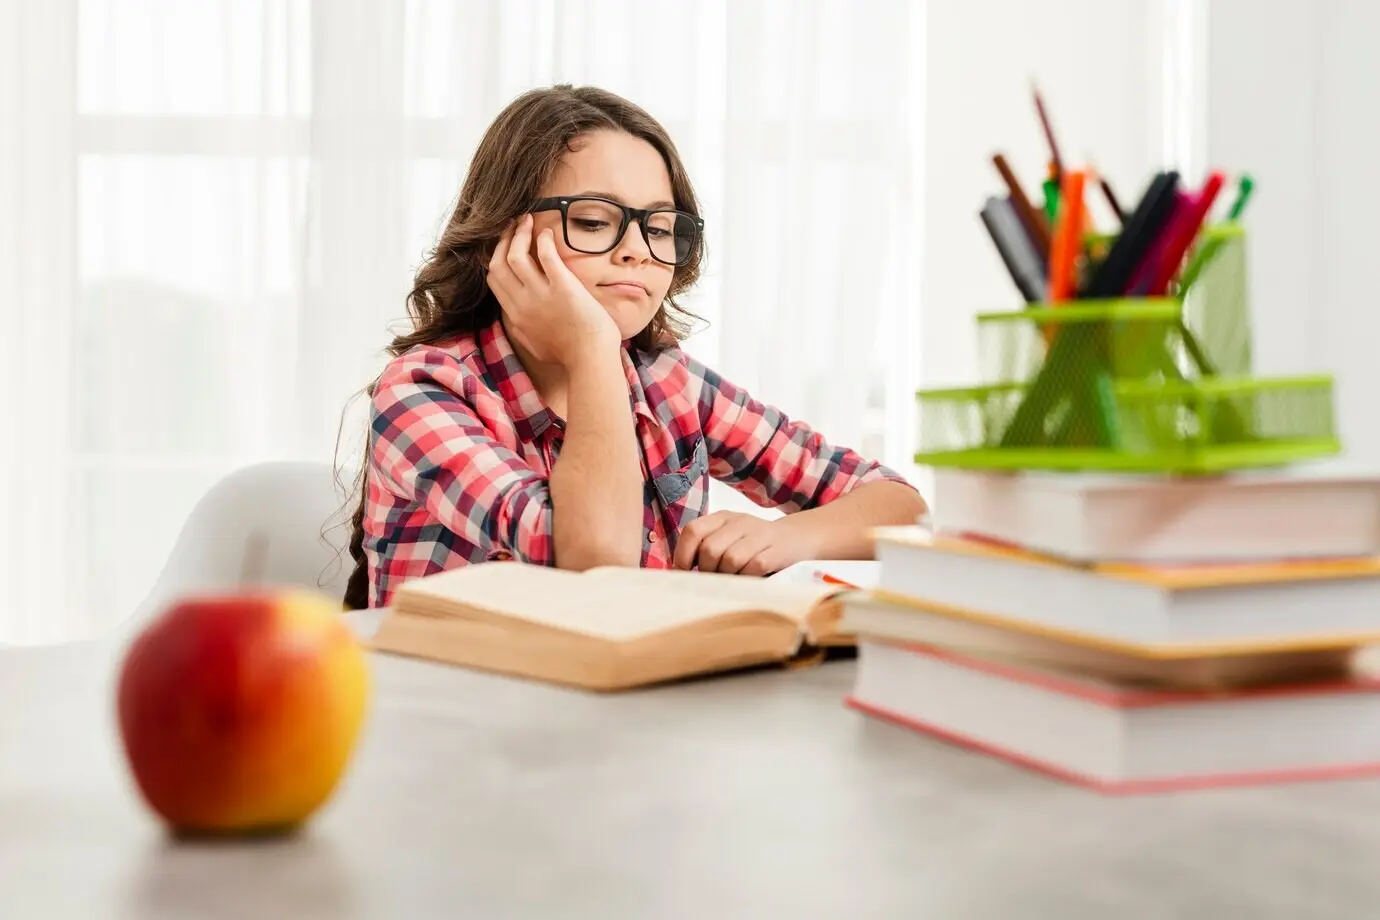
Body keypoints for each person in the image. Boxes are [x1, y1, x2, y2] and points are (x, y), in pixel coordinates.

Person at [341, 84, 927, 610]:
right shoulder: (423, 389)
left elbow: (899, 505)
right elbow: (596, 559)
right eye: (594, 222)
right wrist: (591, 348)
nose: (638, 250)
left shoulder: (666, 381)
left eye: (660, 227)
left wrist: (786, 537)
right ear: (504, 237)